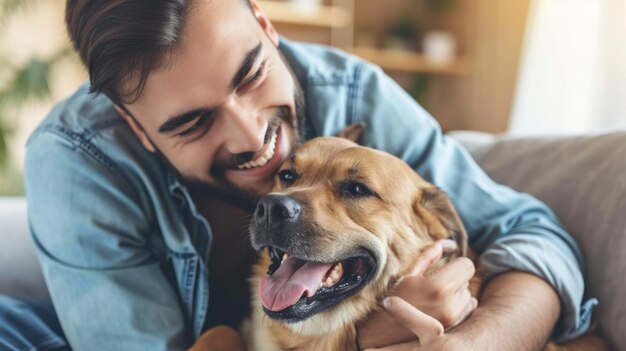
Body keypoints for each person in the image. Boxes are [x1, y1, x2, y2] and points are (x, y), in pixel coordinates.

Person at [0, 0, 597, 350]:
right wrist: (360, 341)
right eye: (193, 122)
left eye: (251, 74)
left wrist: (474, 344)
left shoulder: (354, 91)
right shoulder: (78, 159)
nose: (253, 137)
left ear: (264, 22)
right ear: (132, 126)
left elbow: (533, 234)